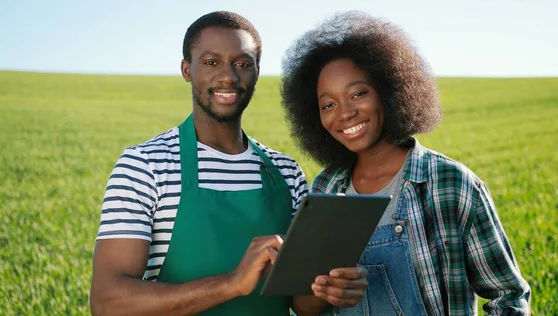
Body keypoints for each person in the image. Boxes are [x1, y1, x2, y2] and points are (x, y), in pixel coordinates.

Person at [90, 11, 367, 316]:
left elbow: (300, 303)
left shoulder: (286, 173)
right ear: (187, 70)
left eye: (242, 64)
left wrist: (330, 287)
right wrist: (233, 283)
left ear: (256, 73)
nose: (228, 76)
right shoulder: (145, 166)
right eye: (211, 62)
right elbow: (108, 303)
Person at [280, 11, 531, 316]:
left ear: (388, 91)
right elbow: (304, 307)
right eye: (328, 104)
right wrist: (327, 291)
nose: (344, 113)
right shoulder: (325, 188)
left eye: (358, 93)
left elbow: (508, 297)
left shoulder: (451, 183)